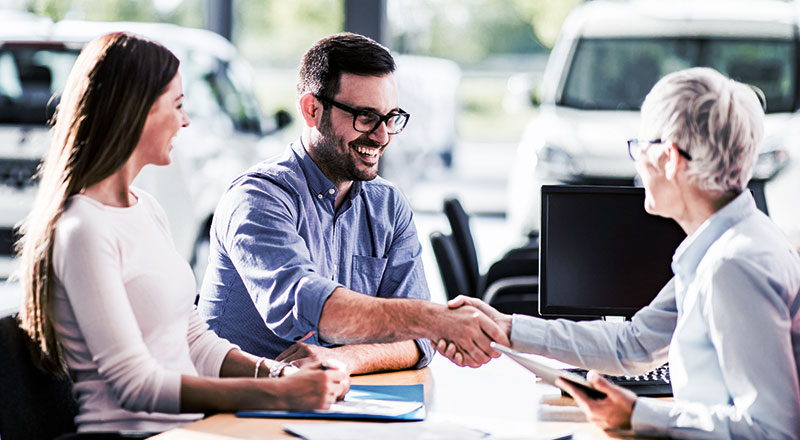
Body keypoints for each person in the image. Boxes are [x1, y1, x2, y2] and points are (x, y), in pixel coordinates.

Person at [439, 67, 800, 438]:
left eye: (640, 146)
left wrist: (639, 417)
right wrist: (508, 328)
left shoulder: (733, 265)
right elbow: (636, 344)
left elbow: (773, 430)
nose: (637, 161)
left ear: (670, 158)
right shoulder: (726, 245)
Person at [16, 32, 348, 435]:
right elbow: (136, 385)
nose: (186, 120)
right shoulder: (82, 228)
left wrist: (277, 374)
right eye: (177, 105)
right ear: (135, 113)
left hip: (189, 430)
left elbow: (192, 339)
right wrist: (280, 397)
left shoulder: (146, 209)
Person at [197, 32, 508, 374]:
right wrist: (434, 320)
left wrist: (345, 359)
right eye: (365, 117)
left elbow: (417, 342)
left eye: (391, 118)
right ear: (312, 109)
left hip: (334, 402)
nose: (382, 135)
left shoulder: (387, 205)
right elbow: (308, 310)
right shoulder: (257, 198)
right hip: (238, 410)